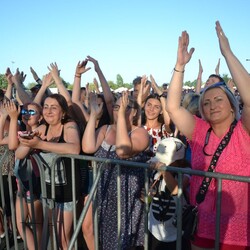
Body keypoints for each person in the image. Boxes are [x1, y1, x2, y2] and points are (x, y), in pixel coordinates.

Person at [166, 21, 250, 249]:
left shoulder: (245, 131)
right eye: (207, 102)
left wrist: (228, 53)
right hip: (201, 227)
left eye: (219, 99)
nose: (212, 105)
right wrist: (179, 66)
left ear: (233, 106)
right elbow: (173, 107)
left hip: (238, 233)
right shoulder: (200, 130)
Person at [82, 91, 149, 249]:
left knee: (120, 242)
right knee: (89, 229)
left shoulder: (140, 132)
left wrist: (121, 120)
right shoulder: (105, 129)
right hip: (103, 189)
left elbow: (122, 151)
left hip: (126, 196)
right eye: (117, 106)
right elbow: (87, 147)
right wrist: (93, 116)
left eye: (125, 106)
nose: (120, 109)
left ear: (133, 112)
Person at [15, 93, 81, 250]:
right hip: (49, 192)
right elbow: (19, 154)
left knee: (64, 239)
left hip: (67, 192)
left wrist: (40, 144)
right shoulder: (43, 127)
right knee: (54, 235)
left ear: (63, 112)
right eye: (45, 107)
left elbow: (74, 148)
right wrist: (30, 140)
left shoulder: (69, 125)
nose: (48, 111)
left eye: (54, 107)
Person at [147, 137, 191, 250]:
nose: (161, 163)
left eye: (165, 162)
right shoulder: (157, 171)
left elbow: (176, 190)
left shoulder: (186, 172)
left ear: (178, 161)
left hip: (177, 233)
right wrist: (147, 197)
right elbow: (152, 195)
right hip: (155, 230)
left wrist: (164, 170)